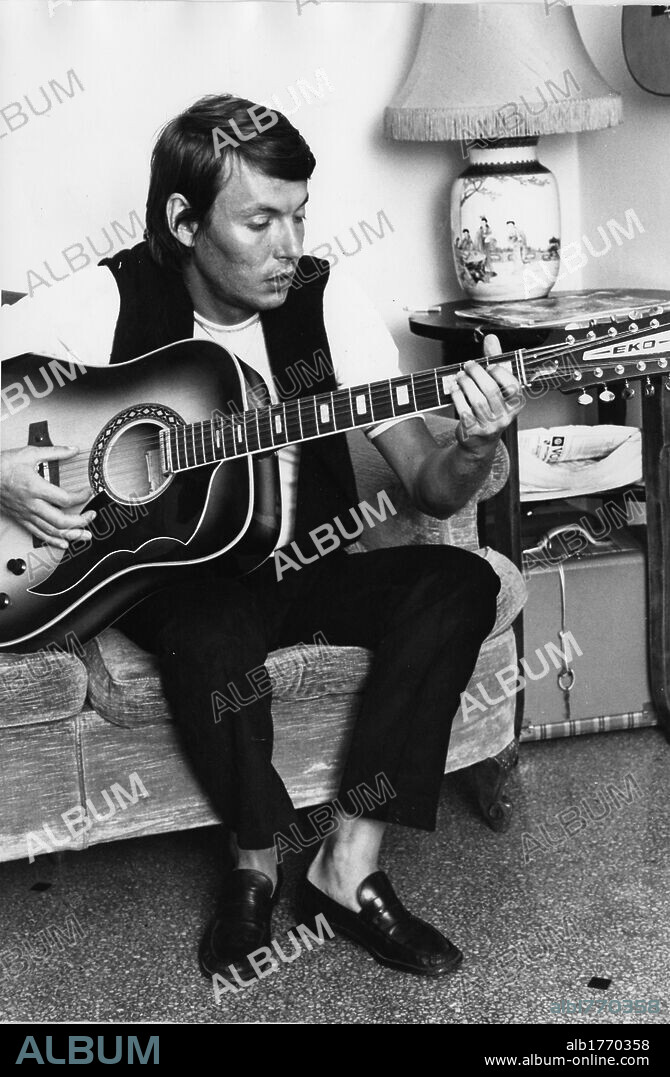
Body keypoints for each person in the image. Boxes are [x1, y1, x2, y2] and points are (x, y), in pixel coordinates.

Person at [0, 95, 523, 985]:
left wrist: (475, 442)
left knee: (461, 581)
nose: (289, 245)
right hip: (181, 585)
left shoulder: (328, 302)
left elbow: (429, 488)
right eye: (260, 220)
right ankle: (253, 862)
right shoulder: (103, 298)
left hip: (311, 566)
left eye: (299, 214)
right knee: (211, 628)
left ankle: (345, 869)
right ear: (183, 220)